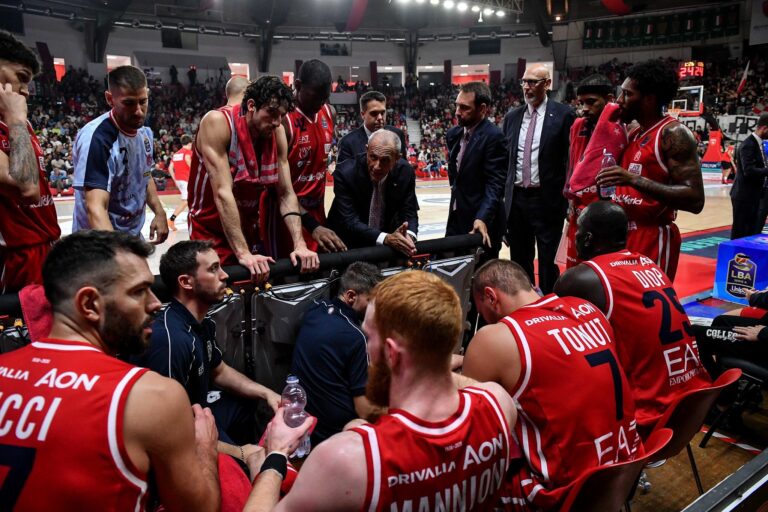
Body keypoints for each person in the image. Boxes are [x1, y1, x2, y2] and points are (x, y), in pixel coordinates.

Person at [246, 270, 518, 512]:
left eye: (369, 337)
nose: (366, 346)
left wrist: (276, 456)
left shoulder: (348, 458)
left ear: (390, 353)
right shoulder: (499, 403)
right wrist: (433, 363)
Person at [0, 230, 219, 510]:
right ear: (89, 304)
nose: (155, 303)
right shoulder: (151, 395)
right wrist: (205, 449)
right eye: (139, 291)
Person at [463, 259, 642, 511]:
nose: (486, 320)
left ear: (491, 297)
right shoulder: (587, 308)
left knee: (465, 471)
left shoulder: (495, 338)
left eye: (483, 314)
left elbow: (466, 426)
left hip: (566, 493)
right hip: (626, 467)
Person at [554, 201, 711, 431]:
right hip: (694, 401)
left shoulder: (581, 279)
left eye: (577, 231)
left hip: (650, 415)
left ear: (587, 239)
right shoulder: (649, 264)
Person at [136, 239, 281, 445]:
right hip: (183, 429)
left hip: (200, 411)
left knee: (250, 406)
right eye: (213, 269)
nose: (225, 275)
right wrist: (242, 454)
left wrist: (266, 393)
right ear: (186, 282)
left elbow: (219, 371)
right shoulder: (171, 340)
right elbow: (165, 428)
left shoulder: (203, 323)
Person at [187, 75, 319, 284]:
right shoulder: (218, 122)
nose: (277, 122)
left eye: (282, 115)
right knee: (217, 292)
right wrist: (243, 253)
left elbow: (285, 193)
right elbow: (223, 193)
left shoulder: (276, 132)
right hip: (209, 228)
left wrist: (300, 244)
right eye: (272, 113)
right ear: (251, 106)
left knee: (256, 288)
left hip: (247, 226)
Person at [596, 60, 705, 280]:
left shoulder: (673, 133)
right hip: (622, 234)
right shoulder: (634, 133)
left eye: (627, 94)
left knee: (649, 301)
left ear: (649, 99)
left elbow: (695, 199)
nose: (619, 101)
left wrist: (633, 179)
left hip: (652, 236)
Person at [72, 66, 168, 244]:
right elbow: (95, 207)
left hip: (131, 238)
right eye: (129, 103)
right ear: (110, 99)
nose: (138, 111)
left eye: (143, 101)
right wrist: (119, 254)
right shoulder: (97, 139)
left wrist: (159, 212)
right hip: (98, 244)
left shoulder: (145, 133)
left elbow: (145, 175)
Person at [291, 262, 383, 445]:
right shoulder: (356, 337)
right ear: (351, 296)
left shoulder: (315, 309)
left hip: (307, 427)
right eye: (372, 301)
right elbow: (364, 411)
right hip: (337, 434)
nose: (377, 307)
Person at [503, 64, 575, 294]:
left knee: (547, 260)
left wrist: (569, 199)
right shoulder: (512, 117)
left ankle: (549, 302)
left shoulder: (564, 115)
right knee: (519, 258)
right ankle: (524, 301)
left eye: (533, 82)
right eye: (524, 82)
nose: (527, 87)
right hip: (517, 200)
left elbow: (570, 159)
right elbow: (507, 161)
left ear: (547, 84)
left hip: (548, 201)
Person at [263, 60, 346, 258]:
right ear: (298, 86)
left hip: (316, 211)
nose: (320, 103)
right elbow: (274, 187)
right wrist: (311, 224)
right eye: (316, 97)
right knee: (287, 271)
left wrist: (316, 222)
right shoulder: (282, 120)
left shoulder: (329, 112)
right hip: (283, 214)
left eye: (325, 98)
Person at [0, 30, 61, 293]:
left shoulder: (18, 124)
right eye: (21, 77)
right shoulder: (15, 120)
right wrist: (15, 118)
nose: (26, 90)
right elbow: (26, 188)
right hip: (14, 259)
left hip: (44, 248)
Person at [564, 74, 625, 268]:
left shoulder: (624, 128)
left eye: (591, 102)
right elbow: (572, 164)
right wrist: (569, 199)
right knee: (575, 268)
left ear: (609, 99)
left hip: (607, 212)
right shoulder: (578, 126)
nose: (584, 109)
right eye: (581, 103)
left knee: (603, 269)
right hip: (579, 209)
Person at [327, 129, 419, 256]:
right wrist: (386, 238)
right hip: (346, 245)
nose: (377, 166)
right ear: (367, 150)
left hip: (386, 245)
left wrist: (409, 236)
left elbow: (409, 211)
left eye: (385, 160)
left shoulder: (405, 172)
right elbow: (350, 221)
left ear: (397, 158)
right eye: (373, 157)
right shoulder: (345, 173)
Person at [445, 81, 507, 259]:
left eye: (465, 108)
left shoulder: (494, 137)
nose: (457, 112)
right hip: (456, 216)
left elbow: (495, 185)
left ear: (482, 109)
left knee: (482, 271)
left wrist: (482, 217)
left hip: (481, 221)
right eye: (457, 105)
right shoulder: (453, 134)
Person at [336, 90, 407, 164]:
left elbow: (403, 167)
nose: (380, 117)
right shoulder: (348, 143)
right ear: (363, 114)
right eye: (374, 113)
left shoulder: (397, 134)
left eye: (382, 112)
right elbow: (344, 171)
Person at [730, 112, 768, 240]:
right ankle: (736, 253)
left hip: (752, 194)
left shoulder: (757, 144)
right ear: (764, 128)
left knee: (750, 231)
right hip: (743, 195)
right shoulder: (748, 145)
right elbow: (749, 171)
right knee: (740, 232)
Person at [168, 134, 193, 231]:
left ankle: (192, 217)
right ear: (190, 143)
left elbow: (170, 168)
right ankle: (171, 219)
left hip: (179, 180)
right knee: (185, 201)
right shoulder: (188, 152)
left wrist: (174, 179)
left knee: (190, 199)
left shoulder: (176, 154)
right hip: (186, 180)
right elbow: (188, 161)